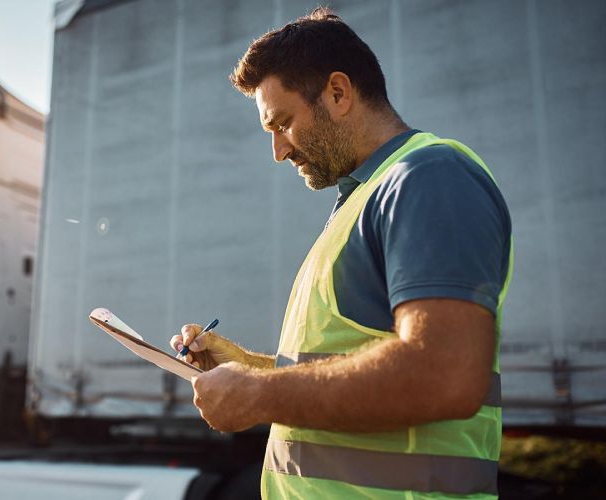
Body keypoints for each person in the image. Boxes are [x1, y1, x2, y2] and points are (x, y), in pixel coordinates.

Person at [169, 7, 513, 500]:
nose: (278, 152)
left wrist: (258, 394)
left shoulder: (428, 177)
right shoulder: (363, 198)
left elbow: (445, 375)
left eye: (283, 123)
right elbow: (347, 370)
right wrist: (247, 368)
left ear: (337, 92)